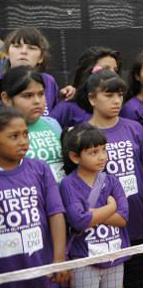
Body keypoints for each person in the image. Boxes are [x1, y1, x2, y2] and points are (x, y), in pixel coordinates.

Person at [82, 69, 143, 288]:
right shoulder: (81, 133)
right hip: (104, 229)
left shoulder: (135, 128)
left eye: (119, 94)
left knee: (142, 279)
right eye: (109, 95)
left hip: (139, 220)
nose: (116, 100)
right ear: (92, 98)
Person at [0, 107, 70, 288]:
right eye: (14, 136)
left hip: (43, 270)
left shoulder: (40, 169)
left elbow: (55, 213)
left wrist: (59, 259)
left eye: (25, 134)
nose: (23, 141)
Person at [59, 124, 130, 288]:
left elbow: (123, 218)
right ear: (75, 157)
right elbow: (79, 221)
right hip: (85, 260)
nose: (102, 157)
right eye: (93, 152)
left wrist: (92, 215)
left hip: (114, 256)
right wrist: (111, 208)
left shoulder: (111, 180)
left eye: (104, 150)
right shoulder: (68, 185)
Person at [1, 66, 65, 182]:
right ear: (6, 99)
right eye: (28, 95)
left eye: (41, 94)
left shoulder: (52, 124)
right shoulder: (2, 131)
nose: (37, 101)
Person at [51, 46, 121, 130]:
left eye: (115, 70)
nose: (113, 74)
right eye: (106, 69)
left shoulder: (118, 105)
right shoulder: (67, 107)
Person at [1, 27, 61, 115]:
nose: (23, 51)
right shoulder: (2, 81)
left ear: (40, 58)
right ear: (7, 53)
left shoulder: (48, 81)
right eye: (17, 46)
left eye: (32, 48)